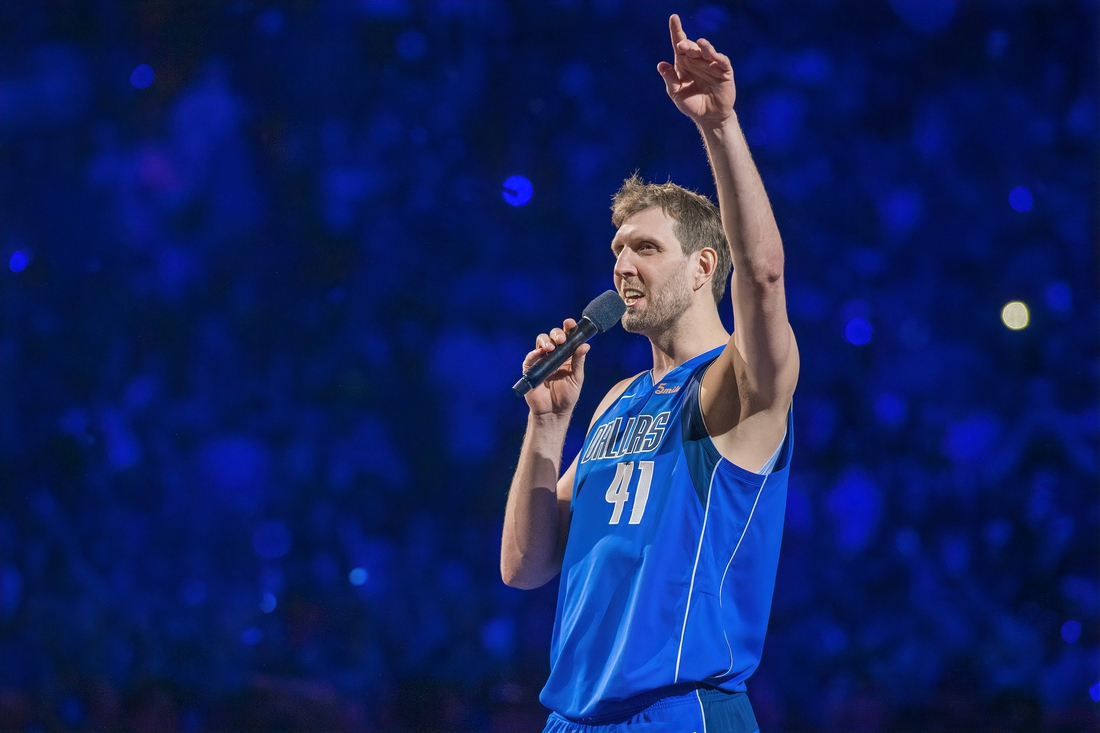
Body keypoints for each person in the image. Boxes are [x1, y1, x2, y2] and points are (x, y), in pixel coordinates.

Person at [501, 14, 799, 733]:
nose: (621, 265)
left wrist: (719, 127)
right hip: (572, 717)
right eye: (616, 248)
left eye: (644, 247)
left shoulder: (733, 387)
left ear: (702, 267)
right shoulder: (616, 400)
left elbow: (761, 273)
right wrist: (547, 426)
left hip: (679, 711)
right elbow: (526, 565)